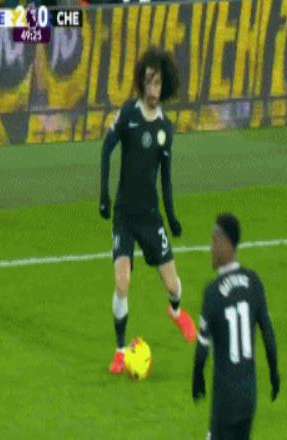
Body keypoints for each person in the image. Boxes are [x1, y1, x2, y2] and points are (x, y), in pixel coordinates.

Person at [100, 46, 196, 374]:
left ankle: (176, 311)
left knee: (173, 286)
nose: (153, 90)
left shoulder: (165, 129)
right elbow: (106, 149)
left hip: (151, 218)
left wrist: (172, 217)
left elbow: (165, 179)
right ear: (142, 83)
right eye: (149, 82)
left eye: (158, 83)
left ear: (164, 85)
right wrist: (104, 195)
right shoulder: (128, 114)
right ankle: (119, 350)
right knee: (122, 282)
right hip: (125, 216)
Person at [192, 214, 280, 439]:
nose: (211, 248)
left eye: (214, 241)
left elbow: (202, 348)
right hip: (248, 396)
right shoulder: (254, 282)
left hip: (225, 399)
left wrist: (197, 378)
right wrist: (274, 373)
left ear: (225, 242)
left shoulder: (213, 292)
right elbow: (269, 337)